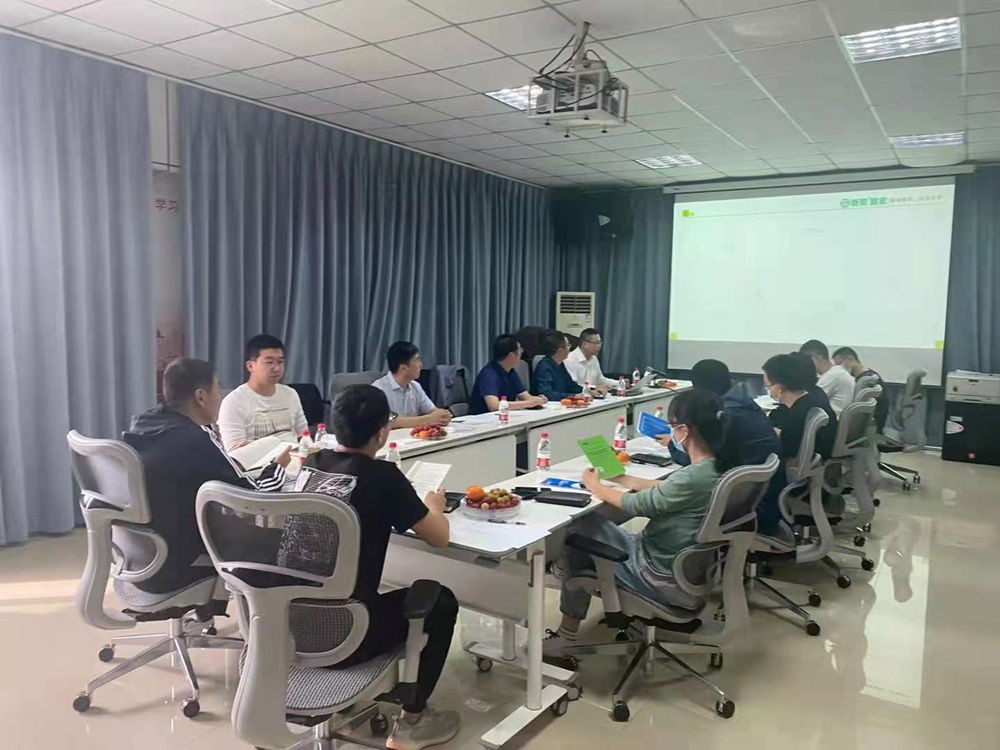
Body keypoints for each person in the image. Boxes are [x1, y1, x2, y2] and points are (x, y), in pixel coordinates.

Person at [300, 385, 458, 750]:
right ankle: (414, 720)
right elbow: (439, 537)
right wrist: (434, 506)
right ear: (382, 433)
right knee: (441, 601)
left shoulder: (311, 465)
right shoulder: (383, 476)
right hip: (346, 635)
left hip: (289, 626)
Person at [544, 389, 738, 656]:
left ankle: (565, 625)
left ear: (684, 430)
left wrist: (594, 485)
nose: (671, 432)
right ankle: (564, 573)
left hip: (658, 575)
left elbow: (637, 505)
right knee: (590, 536)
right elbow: (667, 489)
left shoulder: (692, 477)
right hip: (687, 571)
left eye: (672, 426)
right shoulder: (716, 468)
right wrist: (622, 479)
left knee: (581, 526)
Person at [123, 358, 292, 595]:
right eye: (217, 389)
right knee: (288, 544)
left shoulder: (144, 423)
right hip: (177, 563)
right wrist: (277, 468)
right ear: (201, 397)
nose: (220, 398)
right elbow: (253, 502)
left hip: (140, 555)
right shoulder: (195, 439)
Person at [665, 359, 785, 537]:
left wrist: (675, 443)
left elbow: (704, 463)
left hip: (751, 512)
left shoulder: (727, 417)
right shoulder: (743, 403)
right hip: (763, 502)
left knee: (674, 502)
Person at [218, 334, 308, 451]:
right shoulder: (233, 402)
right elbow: (235, 450)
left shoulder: (290, 394)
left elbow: (303, 434)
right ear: (251, 366)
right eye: (269, 362)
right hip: (257, 461)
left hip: (295, 456)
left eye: (280, 362)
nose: (276, 368)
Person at [763, 353, 838, 464]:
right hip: (820, 461)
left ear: (778, 388)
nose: (768, 390)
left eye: (768, 386)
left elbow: (788, 450)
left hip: (796, 466)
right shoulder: (812, 398)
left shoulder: (796, 415)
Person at [372, 341, 454, 429]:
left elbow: (432, 410)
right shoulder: (378, 390)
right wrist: (429, 419)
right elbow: (390, 420)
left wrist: (442, 416)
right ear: (404, 368)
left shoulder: (415, 386)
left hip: (412, 435)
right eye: (417, 360)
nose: (421, 365)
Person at [469, 334, 547, 414]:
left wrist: (539, 400)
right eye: (520, 351)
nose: (521, 355)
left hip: (504, 416)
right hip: (484, 417)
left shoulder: (511, 372)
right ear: (511, 355)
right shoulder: (488, 374)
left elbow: (525, 397)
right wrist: (527, 404)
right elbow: (494, 406)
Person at [832, 346, 889, 432]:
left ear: (850, 359)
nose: (838, 370)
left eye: (839, 365)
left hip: (867, 428)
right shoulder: (870, 376)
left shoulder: (864, 382)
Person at [799, 339, 855, 415]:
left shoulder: (832, 376)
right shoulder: (838, 372)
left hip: (830, 419)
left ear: (816, 357)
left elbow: (808, 401)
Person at [533, 329, 585, 402]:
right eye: (568, 345)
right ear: (560, 350)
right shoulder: (544, 366)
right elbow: (546, 393)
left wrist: (587, 391)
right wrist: (572, 396)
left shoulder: (560, 364)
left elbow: (571, 385)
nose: (569, 349)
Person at [564, 328, 617, 394]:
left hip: (592, 395)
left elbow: (600, 379)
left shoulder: (594, 359)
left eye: (600, 343)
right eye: (596, 343)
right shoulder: (569, 360)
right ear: (584, 344)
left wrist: (619, 383)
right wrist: (594, 387)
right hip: (577, 396)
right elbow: (573, 386)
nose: (599, 346)